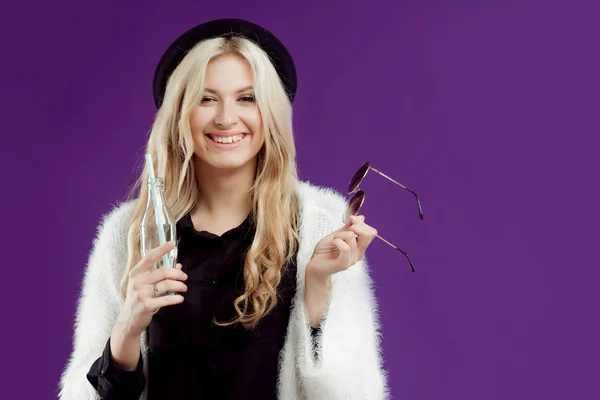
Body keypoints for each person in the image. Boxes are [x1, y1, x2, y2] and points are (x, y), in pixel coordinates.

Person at [58, 18, 388, 400]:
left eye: (247, 98)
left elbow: (353, 393)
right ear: (180, 113)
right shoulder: (128, 233)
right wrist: (128, 330)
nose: (226, 118)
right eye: (206, 97)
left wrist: (316, 286)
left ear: (271, 114)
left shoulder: (320, 229)